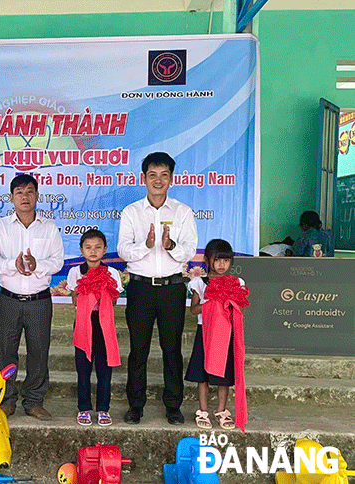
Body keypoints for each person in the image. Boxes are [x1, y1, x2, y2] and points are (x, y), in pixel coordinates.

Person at [117, 152, 197, 425]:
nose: (158, 180)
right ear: (143, 178)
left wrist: (171, 245)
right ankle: (135, 405)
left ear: (172, 178)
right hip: (140, 290)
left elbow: (189, 250)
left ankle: (173, 405)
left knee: (172, 349)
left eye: (164, 175)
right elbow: (123, 250)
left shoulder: (183, 212)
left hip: (172, 289)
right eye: (153, 175)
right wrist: (147, 246)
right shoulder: (131, 212)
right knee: (138, 350)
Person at [0, 174, 64, 420]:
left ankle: (34, 400)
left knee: (38, 352)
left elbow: (58, 261)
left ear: (37, 196)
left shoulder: (49, 228)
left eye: (30, 191)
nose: (25, 197)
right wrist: (13, 265)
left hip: (39, 300)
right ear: (11, 198)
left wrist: (35, 265)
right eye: (19, 192)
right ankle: (7, 399)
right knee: (5, 352)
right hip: (8, 299)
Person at [185, 239, 243, 430]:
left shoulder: (237, 283)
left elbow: (239, 308)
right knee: (203, 375)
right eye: (217, 260)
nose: (221, 265)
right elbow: (194, 309)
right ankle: (203, 411)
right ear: (207, 260)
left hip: (226, 334)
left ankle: (221, 411)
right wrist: (213, 303)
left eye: (226, 261)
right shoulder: (199, 283)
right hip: (205, 331)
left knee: (224, 375)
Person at [67, 229, 122, 426]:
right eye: (88, 248)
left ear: (105, 250)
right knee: (83, 368)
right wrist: (87, 293)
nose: (93, 251)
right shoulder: (75, 272)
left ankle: (103, 409)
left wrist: (102, 293)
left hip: (103, 325)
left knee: (104, 369)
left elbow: (114, 301)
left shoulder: (112, 273)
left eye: (98, 247)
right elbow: (74, 298)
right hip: (83, 323)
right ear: (81, 250)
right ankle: (83, 408)